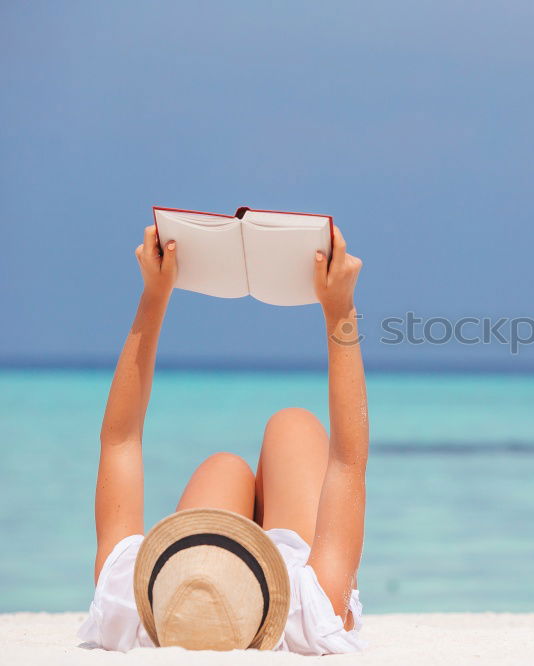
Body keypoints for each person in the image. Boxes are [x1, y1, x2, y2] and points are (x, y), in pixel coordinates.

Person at [78, 224, 368, 654]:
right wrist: (340, 310)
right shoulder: (311, 613)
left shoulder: (127, 605)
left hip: (215, 578)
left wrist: (154, 297)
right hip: (285, 573)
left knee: (225, 466)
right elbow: (347, 461)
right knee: (293, 425)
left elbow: (120, 441)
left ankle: (225, 525)